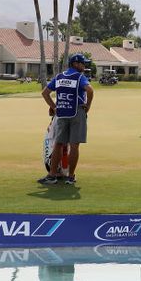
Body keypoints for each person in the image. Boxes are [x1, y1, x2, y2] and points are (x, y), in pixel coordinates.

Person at [38, 54, 93, 186]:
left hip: (62, 113)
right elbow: (90, 90)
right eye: (82, 63)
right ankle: (71, 176)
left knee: (58, 144)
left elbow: (45, 93)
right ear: (75, 64)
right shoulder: (79, 77)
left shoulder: (59, 77)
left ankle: (52, 176)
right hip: (77, 112)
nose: (84, 66)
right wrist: (88, 106)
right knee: (74, 146)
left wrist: (54, 107)